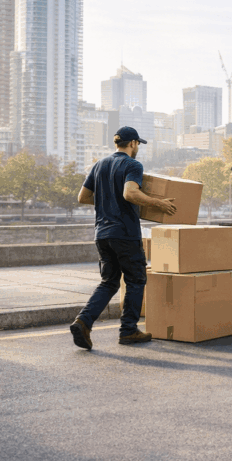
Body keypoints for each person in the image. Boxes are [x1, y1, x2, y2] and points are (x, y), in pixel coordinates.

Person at [69, 126, 177, 350]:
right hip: (125, 233)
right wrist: (159, 203)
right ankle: (128, 330)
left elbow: (83, 197)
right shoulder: (132, 165)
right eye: (138, 144)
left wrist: (106, 201)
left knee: (109, 282)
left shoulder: (99, 165)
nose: (138, 148)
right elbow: (130, 193)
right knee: (136, 279)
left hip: (102, 234)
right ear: (133, 143)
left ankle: (83, 321)